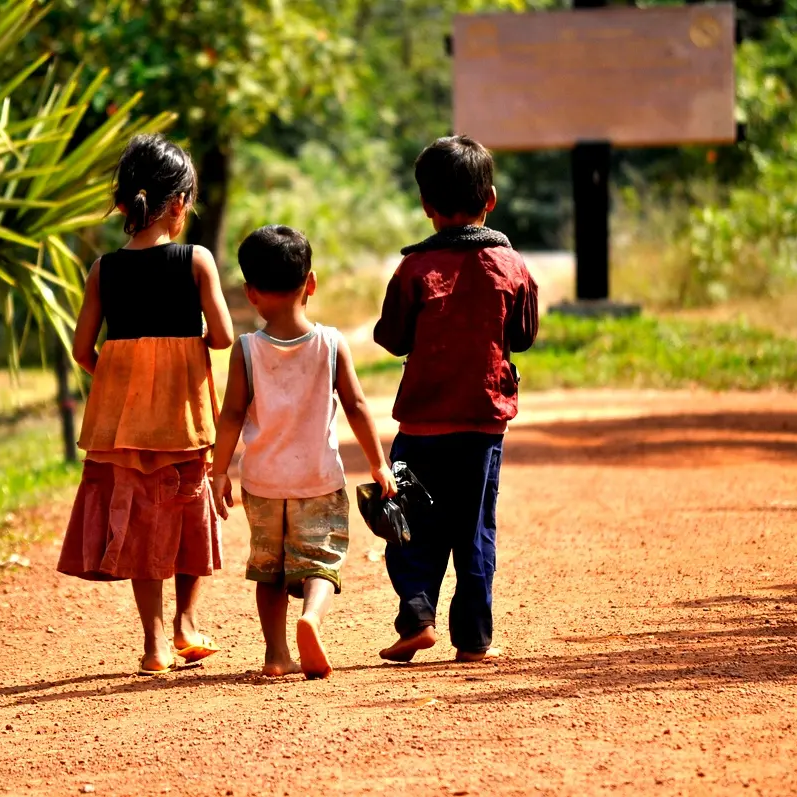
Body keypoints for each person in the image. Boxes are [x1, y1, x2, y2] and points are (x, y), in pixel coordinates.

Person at [56, 134, 234, 676]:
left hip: (123, 425)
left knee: (139, 522)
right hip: (184, 420)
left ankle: (154, 643)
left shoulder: (103, 269)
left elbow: (82, 350)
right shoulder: (196, 260)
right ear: (179, 205)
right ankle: (187, 623)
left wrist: (119, 377)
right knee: (188, 514)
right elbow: (224, 337)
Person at [373, 135, 539, 664]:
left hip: (420, 426)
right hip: (482, 425)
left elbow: (393, 338)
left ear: (426, 207)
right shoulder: (511, 266)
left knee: (410, 521)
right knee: (474, 529)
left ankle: (417, 615)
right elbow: (526, 333)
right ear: (489, 199)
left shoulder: (412, 271)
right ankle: (473, 639)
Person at [211, 225, 396, 680]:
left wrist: (218, 473)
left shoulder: (246, 350)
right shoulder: (331, 344)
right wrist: (378, 463)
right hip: (318, 479)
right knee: (321, 559)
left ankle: (276, 655)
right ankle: (311, 617)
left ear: (251, 293)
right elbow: (355, 405)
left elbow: (232, 415)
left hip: (262, 483)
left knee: (268, 570)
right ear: (310, 283)